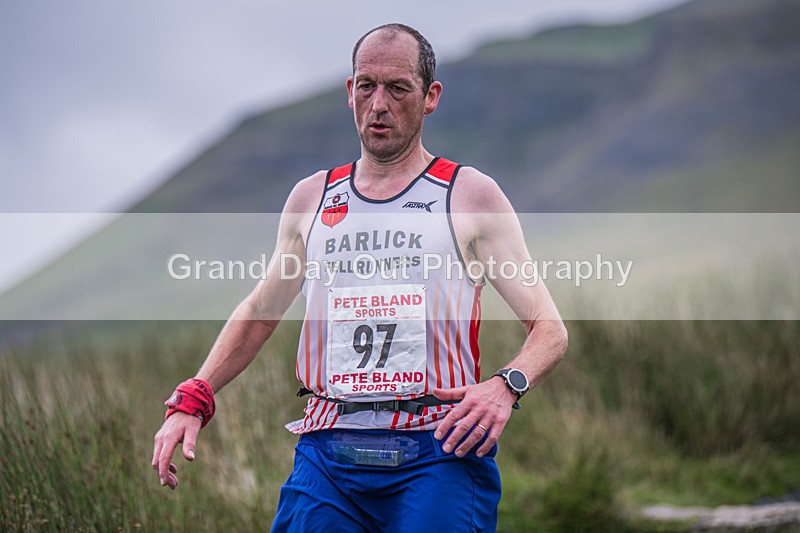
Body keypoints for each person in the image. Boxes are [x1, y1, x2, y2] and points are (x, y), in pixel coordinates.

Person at [152, 23, 568, 532]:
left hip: (439, 448)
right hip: (328, 451)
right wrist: (195, 396)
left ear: (430, 96)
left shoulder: (469, 195)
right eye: (367, 86)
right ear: (350, 91)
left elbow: (549, 329)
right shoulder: (312, 198)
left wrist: (505, 387)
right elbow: (261, 313)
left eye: (398, 88)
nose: (379, 104)